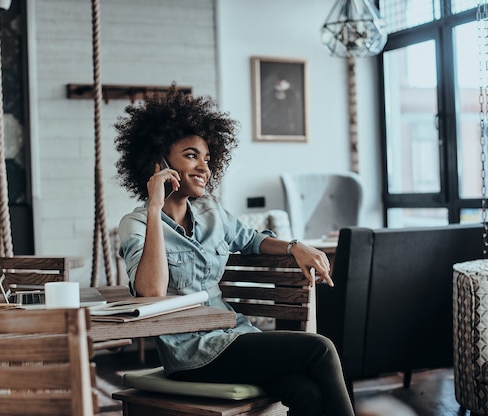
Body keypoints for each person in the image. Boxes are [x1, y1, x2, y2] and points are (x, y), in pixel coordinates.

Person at [114, 85, 355, 416]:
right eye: (190, 155)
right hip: (190, 353)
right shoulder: (137, 224)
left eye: (207, 158)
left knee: (306, 392)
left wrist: (295, 246)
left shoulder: (212, 211)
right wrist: (155, 207)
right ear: (157, 162)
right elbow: (151, 291)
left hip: (235, 335)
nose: (204, 168)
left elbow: (252, 239)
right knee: (320, 348)